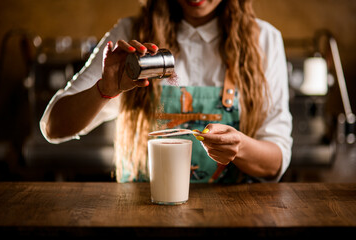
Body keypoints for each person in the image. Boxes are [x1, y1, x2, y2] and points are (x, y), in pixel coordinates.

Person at [40, 0, 293, 183]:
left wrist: (240, 147)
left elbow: (276, 163)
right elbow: (53, 127)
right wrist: (104, 89)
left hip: (230, 218)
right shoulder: (130, 34)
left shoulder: (265, 40)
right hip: (143, 216)